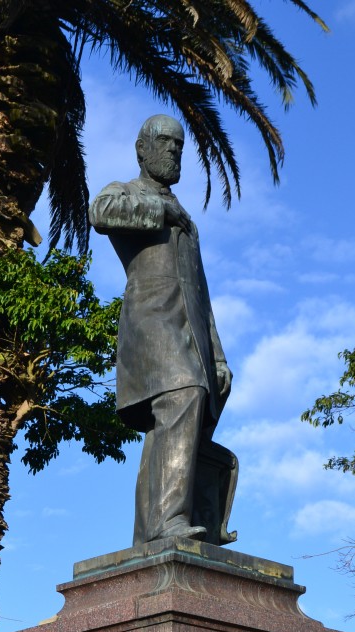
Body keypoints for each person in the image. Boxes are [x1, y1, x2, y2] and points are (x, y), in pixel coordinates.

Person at [89, 114, 237, 547]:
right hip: (152, 324)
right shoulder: (129, 193)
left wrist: (219, 355)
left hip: (190, 330)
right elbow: (100, 212)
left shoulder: (187, 220)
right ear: (142, 149)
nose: (174, 150)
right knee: (183, 395)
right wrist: (160, 208)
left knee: (171, 425)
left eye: (179, 145)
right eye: (166, 142)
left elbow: (201, 294)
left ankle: (152, 534)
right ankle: (169, 520)